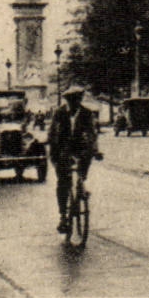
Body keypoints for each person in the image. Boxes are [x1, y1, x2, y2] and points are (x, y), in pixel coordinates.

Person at [49, 86, 101, 233]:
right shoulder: (59, 113)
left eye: (77, 100)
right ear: (67, 101)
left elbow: (92, 133)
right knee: (63, 182)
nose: (74, 103)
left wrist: (95, 150)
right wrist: (53, 149)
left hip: (79, 147)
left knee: (85, 161)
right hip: (62, 148)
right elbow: (53, 132)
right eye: (71, 101)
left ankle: (80, 185)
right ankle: (63, 216)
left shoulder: (86, 113)